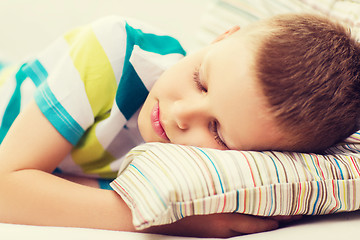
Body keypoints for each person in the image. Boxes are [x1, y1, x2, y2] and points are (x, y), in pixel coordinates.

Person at [0, 13, 359, 238]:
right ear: (223, 38)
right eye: (201, 81)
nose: (181, 113)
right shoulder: (115, 49)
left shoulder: (189, 175)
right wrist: (160, 221)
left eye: (217, 131)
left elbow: (46, 182)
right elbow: (6, 189)